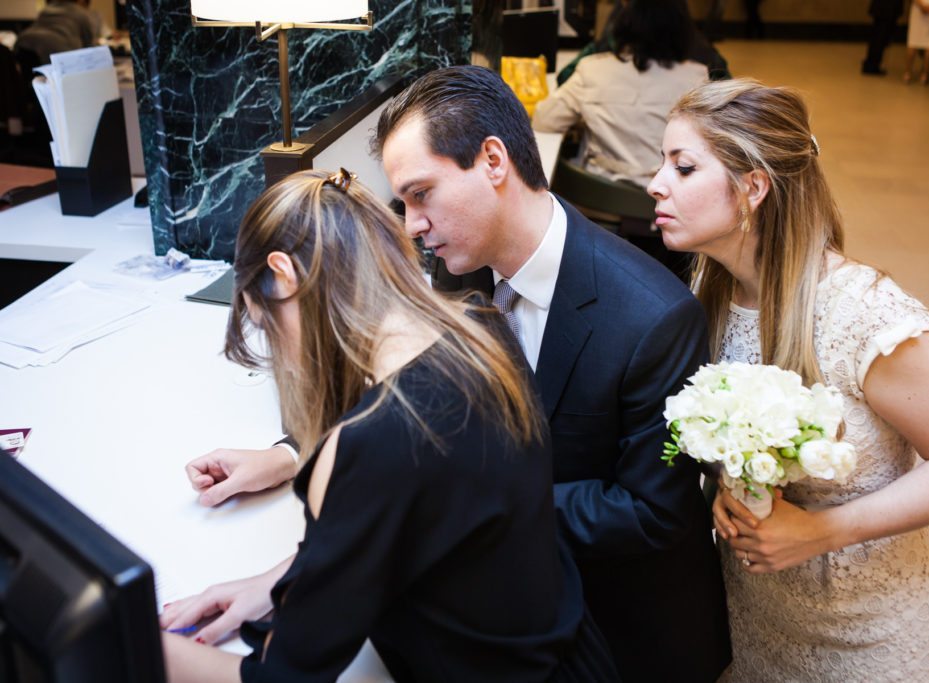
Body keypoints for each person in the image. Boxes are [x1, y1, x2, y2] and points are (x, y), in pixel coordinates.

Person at [186, 65, 731, 682]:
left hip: (617, 629)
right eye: (402, 203)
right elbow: (419, 412)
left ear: (493, 161)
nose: (412, 226)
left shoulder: (655, 319)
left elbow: (648, 512)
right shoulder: (461, 267)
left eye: (421, 194)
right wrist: (292, 460)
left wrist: (447, 510)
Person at [160, 169, 619, 682]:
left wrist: (136, 641)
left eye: (266, 321)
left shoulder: (371, 445)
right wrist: (282, 580)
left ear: (284, 274)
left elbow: (281, 678)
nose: (282, 353)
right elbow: (429, 529)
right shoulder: (481, 329)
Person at [647, 78, 929, 681]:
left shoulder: (868, 316)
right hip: (757, 619)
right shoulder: (706, 292)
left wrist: (819, 531)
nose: (655, 184)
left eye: (682, 167)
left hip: (870, 632)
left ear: (753, 188)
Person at [532, 0, 711, 188]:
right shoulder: (697, 78)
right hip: (668, 200)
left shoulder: (593, 69)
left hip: (597, 197)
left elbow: (544, 120)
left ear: (623, 24)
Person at [862, 0, 903, 75]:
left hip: (882, 8)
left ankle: (872, 63)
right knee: (880, 37)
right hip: (887, 9)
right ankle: (873, 64)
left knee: (877, 36)